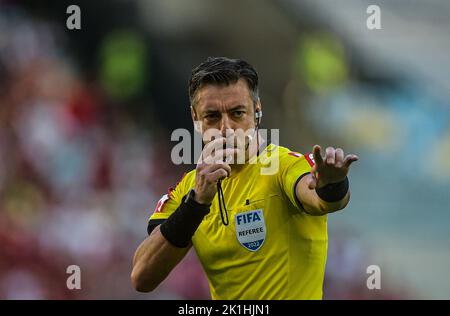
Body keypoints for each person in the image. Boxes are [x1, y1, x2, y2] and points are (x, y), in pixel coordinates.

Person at [131, 57, 359, 299]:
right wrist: (196, 205)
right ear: (195, 119)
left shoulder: (283, 166)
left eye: (237, 113)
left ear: (257, 111)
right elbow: (142, 277)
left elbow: (322, 198)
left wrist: (332, 183)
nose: (226, 128)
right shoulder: (191, 188)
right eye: (212, 116)